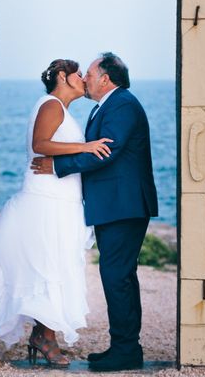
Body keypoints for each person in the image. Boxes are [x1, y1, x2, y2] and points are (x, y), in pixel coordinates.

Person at [31, 52, 158, 372]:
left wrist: (56, 166)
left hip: (123, 206)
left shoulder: (123, 105)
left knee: (118, 278)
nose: (85, 79)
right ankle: (124, 347)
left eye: (89, 73)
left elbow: (106, 152)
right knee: (118, 277)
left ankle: (127, 351)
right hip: (114, 206)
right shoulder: (109, 106)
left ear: (105, 78)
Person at [0, 59, 113, 368]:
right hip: (46, 201)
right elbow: (40, 143)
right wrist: (85, 148)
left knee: (56, 266)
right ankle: (45, 338)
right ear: (62, 76)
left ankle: (45, 335)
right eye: (78, 74)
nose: (84, 79)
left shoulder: (63, 109)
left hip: (61, 200)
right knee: (50, 267)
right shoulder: (51, 104)